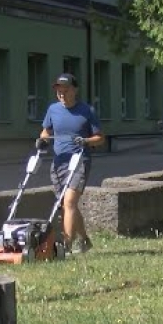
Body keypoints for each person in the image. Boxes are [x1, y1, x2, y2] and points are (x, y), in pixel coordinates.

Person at [35, 73, 105, 254]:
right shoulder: (53, 110)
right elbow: (45, 131)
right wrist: (43, 140)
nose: (61, 94)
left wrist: (86, 141)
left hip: (80, 161)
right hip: (59, 163)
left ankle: (66, 245)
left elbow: (100, 138)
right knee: (66, 205)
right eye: (59, 91)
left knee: (70, 202)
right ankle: (84, 240)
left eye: (65, 91)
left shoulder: (86, 111)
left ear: (75, 90)